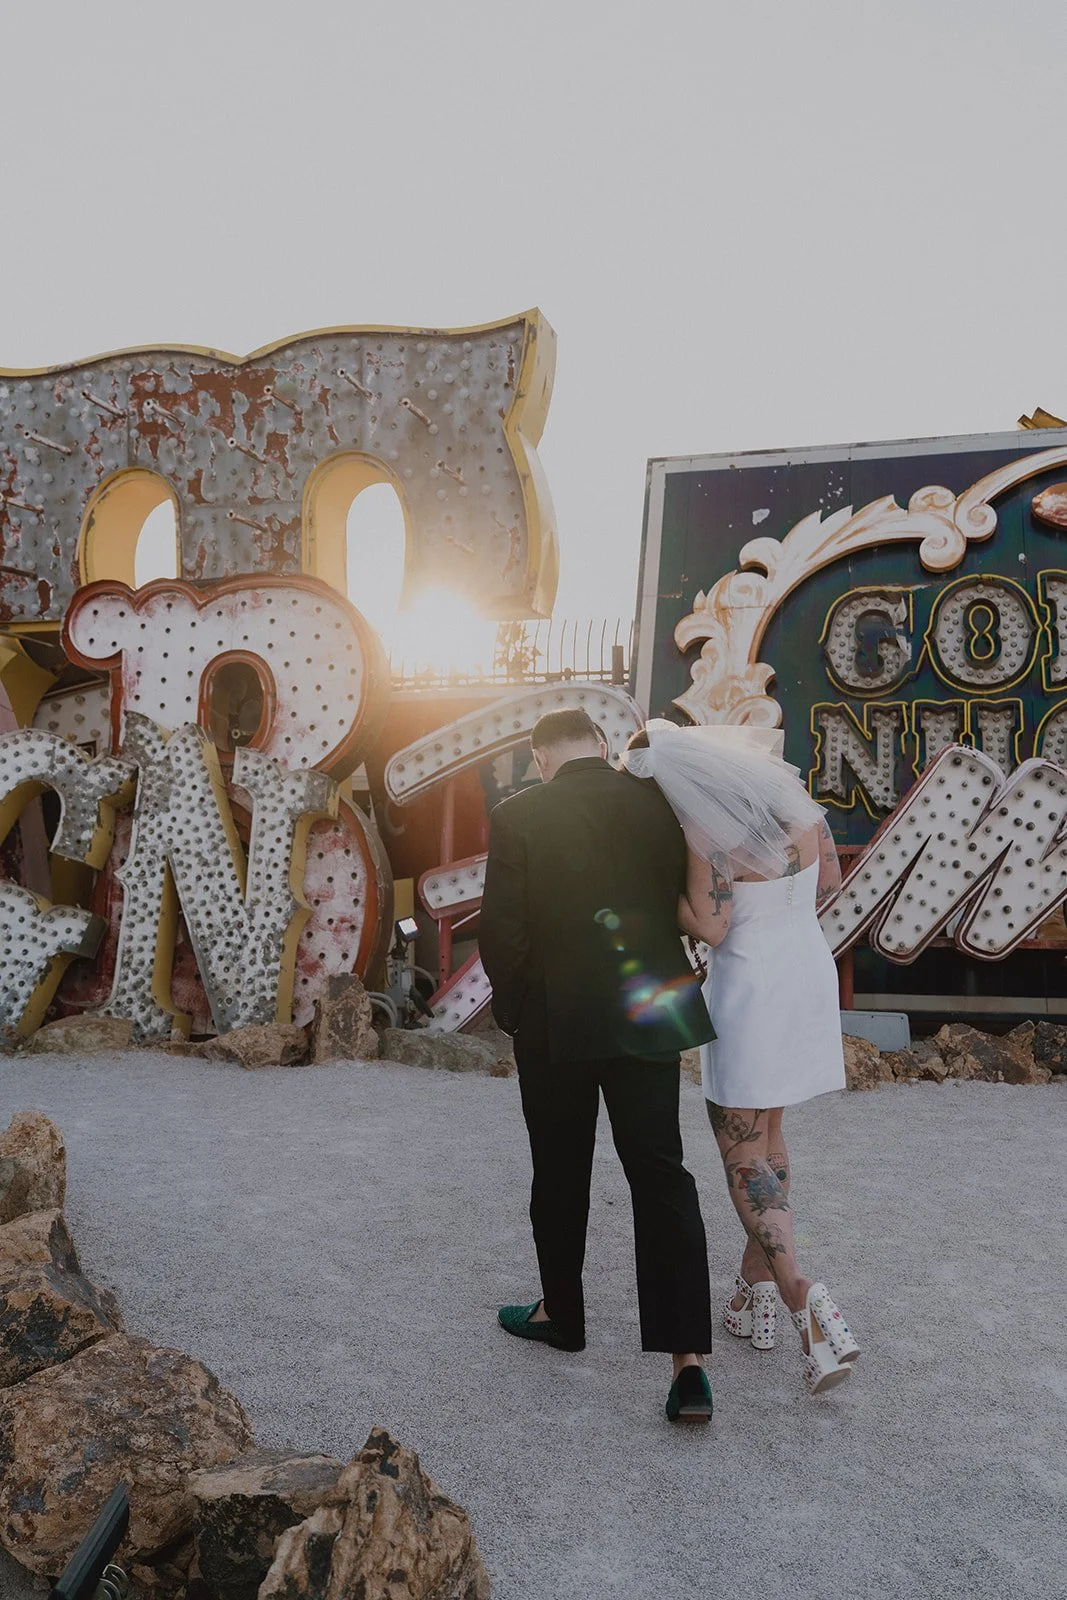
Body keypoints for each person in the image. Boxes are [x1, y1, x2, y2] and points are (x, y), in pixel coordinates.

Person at [479, 708, 717, 1424]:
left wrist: (518, 1012)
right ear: (602, 746)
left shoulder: (519, 813)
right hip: (651, 1011)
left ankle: (563, 1314)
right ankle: (687, 1365)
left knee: (559, 1168)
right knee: (661, 1174)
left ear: (541, 754)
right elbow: (682, 898)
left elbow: (502, 928)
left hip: (559, 1017)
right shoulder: (660, 803)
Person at [621, 720, 860, 1394]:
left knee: (741, 1151)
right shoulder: (792, 807)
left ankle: (798, 1294)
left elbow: (710, 924)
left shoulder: (707, 834)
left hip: (750, 989)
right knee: (771, 1134)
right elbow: (827, 881)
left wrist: (649, 894)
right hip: (805, 974)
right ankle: (751, 1289)